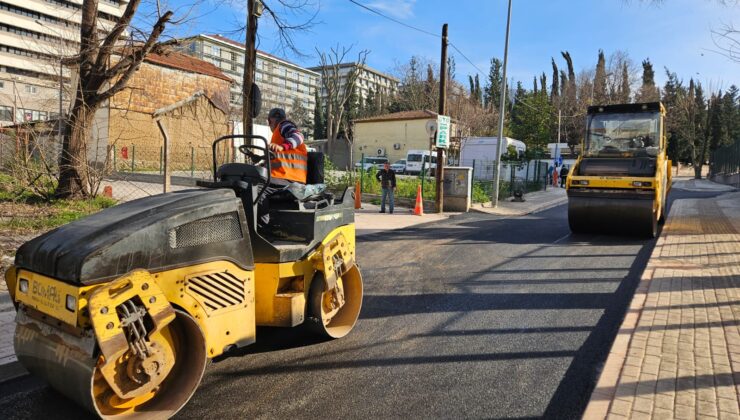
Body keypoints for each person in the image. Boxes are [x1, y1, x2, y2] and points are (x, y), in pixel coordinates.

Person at [258, 108, 307, 227]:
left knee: (255, 189)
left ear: (270, 121)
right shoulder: (278, 135)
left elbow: (299, 136)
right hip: (283, 176)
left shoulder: (284, 125)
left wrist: (283, 146)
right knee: (252, 179)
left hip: (290, 178)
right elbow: (280, 160)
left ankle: (262, 228)